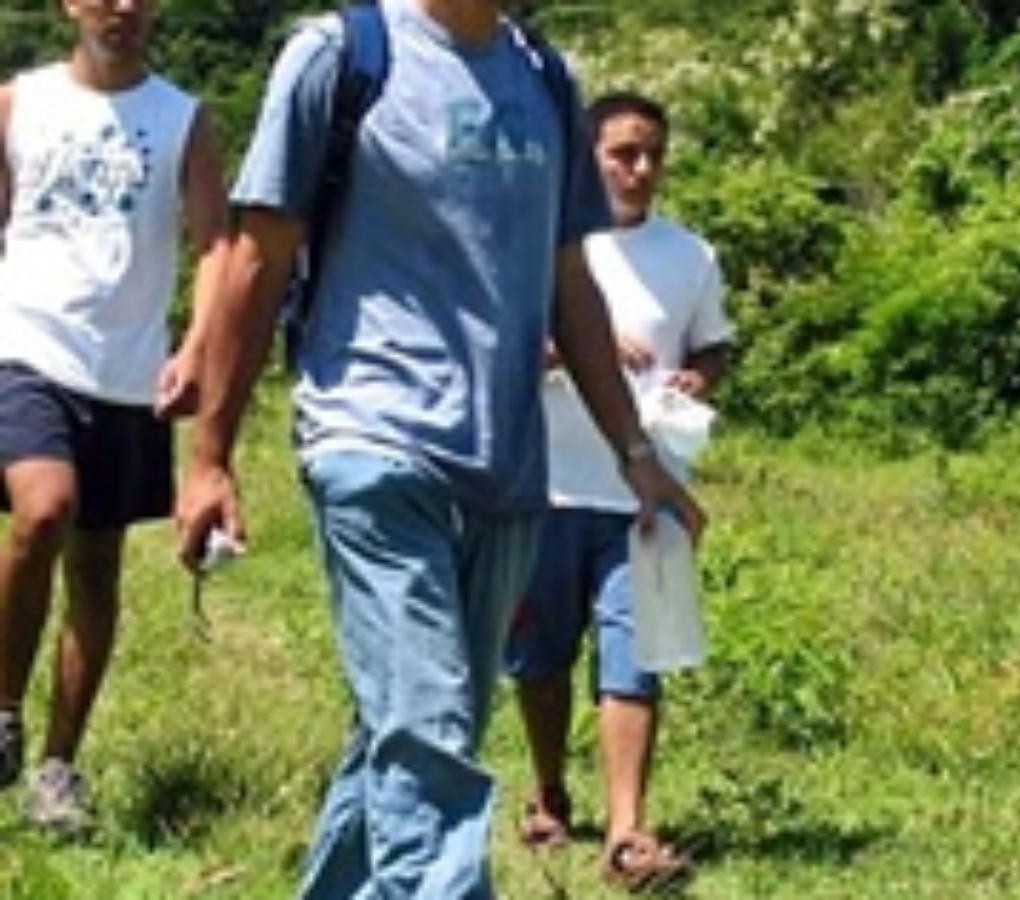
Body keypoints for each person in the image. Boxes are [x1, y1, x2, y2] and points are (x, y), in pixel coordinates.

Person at [171, 2, 703, 897]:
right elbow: (257, 261)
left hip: (504, 466)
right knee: (429, 733)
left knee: (414, 728)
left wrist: (636, 454)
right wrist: (210, 454)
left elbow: (569, 282)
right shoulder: (340, 58)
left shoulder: (545, 77)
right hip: (371, 437)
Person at [0, 0, 228, 837]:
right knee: (43, 508)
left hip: (130, 371)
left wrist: (198, 345)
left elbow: (216, 246)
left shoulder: (185, 120)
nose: (122, 7)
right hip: (23, 345)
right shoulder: (18, 102)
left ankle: (58, 765)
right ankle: (2, 712)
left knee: (96, 567)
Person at [503, 90, 733, 890]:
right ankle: (549, 791)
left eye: (654, 155)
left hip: (643, 491)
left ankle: (629, 830)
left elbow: (714, 348)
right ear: (587, 156)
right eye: (623, 153)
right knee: (539, 657)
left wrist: (694, 378)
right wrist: (576, 347)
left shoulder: (691, 256)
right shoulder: (542, 242)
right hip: (547, 485)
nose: (640, 170)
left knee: (634, 658)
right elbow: (499, 347)